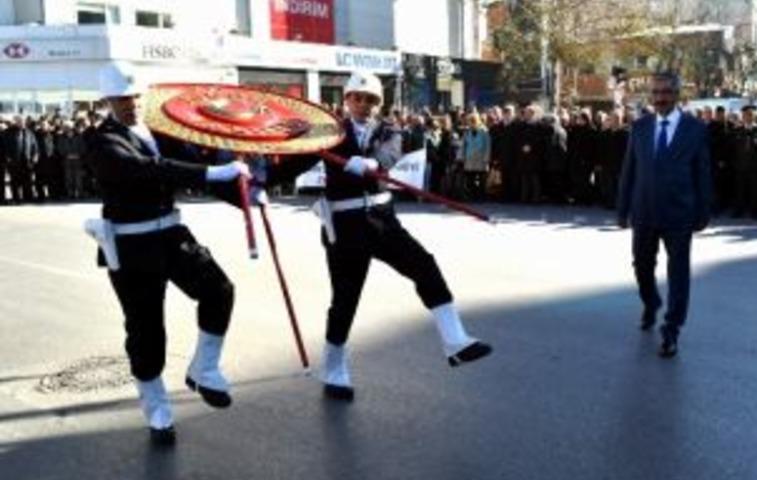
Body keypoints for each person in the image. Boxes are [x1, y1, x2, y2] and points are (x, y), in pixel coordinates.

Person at [271, 71, 492, 401]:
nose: (364, 104)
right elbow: (293, 165)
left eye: (371, 100)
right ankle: (334, 369)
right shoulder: (327, 132)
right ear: (347, 100)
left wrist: (371, 163)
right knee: (345, 299)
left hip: (382, 221)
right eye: (358, 98)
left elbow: (390, 154)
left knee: (424, 265)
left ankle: (455, 341)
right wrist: (260, 178)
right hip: (344, 225)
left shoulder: (389, 130)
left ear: (379, 104)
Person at [87, 62, 250, 445]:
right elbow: (147, 169)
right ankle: (157, 408)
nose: (131, 104)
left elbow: (196, 162)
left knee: (219, 290)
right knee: (146, 330)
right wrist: (212, 175)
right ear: (108, 101)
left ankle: (204, 369)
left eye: (135, 97)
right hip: (132, 245)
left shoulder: (158, 131)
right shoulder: (99, 139)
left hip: (172, 235)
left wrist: (247, 194)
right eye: (122, 99)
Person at [617, 72, 712, 358]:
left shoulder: (695, 129)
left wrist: (703, 211)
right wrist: (622, 208)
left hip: (679, 213)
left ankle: (671, 329)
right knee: (641, 266)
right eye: (655, 93)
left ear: (677, 95)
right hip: (644, 210)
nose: (660, 98)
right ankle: (651, 302)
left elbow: (703, 173)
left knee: (678, 273)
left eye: (666, 93)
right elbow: (629, 170)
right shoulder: (639, 127)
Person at [731, 105, 757, 218]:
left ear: (754, 116)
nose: (748, 117)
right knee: (739, 189)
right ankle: (739, 210)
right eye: (745, 115)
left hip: (755, 166)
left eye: (750, 115)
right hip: (740, 165)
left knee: (755, 190)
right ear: (742, 116)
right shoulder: (737, 130)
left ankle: (755, 211)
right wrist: (733, 162)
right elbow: (731, 148)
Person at [459, 112, 492, 201]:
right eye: (470, 121)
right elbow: (463, 145)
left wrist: (486, 158)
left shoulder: (484, 131)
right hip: (469, 159)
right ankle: (472, 195)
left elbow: (488, 146)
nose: (471, 123)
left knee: (482, 180)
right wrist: (462, 157)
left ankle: (481, 196)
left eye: (473, 121)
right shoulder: (467, 132)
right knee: (470, 179)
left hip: (481, 159)